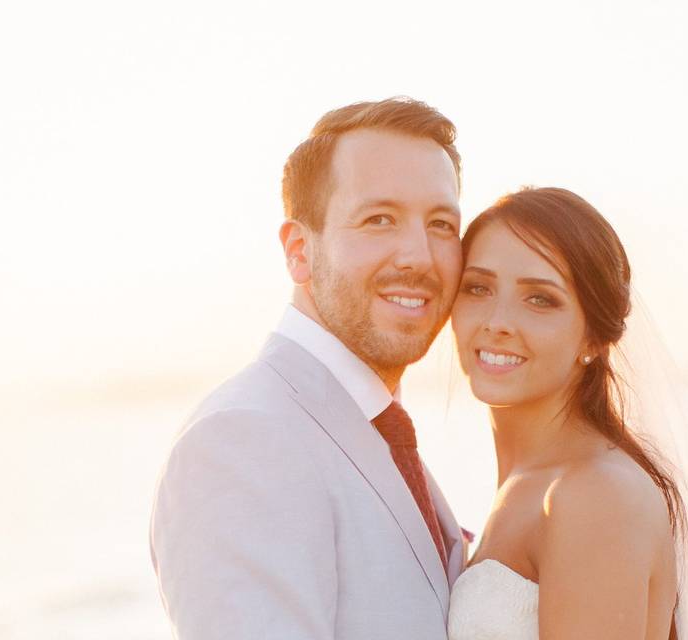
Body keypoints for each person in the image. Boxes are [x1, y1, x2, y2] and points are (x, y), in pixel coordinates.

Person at [150, 97, 467, 640]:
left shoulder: (375, 428)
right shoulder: (242, 440)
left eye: (440, 224)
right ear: (299, 250)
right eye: (379, 219)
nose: (419, 255)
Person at [446, 187, 683, 639]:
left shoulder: (596, 494)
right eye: (477, 288)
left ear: (594, 339)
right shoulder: (526, 488)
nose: (497, 320)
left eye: (539, 299)